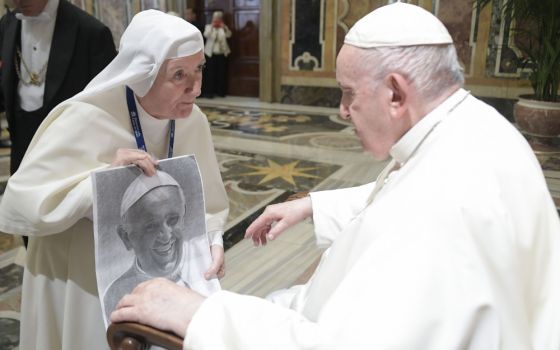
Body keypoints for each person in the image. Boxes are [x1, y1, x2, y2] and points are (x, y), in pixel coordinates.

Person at [110, 3, 560, 349]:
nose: (342, 111)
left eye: (348, 94)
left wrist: (200, 316)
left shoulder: (443, 208)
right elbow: (400, 194)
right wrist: (315, 204)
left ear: (397, 94)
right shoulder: (472, 128)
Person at [0, 9, 228, 350]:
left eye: (199, 70)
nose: (195, 88)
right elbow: (18, 203)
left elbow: (207, 200)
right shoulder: (85, 117)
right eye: (179, 75)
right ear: (142, 74)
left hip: (158, 277)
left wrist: (214, 240)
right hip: (79, 279)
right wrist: (99, 184)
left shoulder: (194, 122)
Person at [0, 0, 116, 175]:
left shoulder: (91, 33)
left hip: (70, 161)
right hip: (21, 157)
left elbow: (109, 108)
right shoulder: (6, 25)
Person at [103, 170, 218, 323]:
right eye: (151, 226)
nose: (166, 235)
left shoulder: (202, 266)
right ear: (127, 238)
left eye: (173, 220)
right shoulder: (118, 294)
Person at [202, 10, 231, 98]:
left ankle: (221, 92)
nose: (217, 19)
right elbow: (206, 35)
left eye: (219, 18)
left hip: (222, 53)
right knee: (210, 74)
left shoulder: (224, 27)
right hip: (210, 54)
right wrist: (212, 27)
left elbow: (229, 35)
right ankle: (210, 93)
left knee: (221, 73)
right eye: (216, 18)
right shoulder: (208, 27)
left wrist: (224, 28)